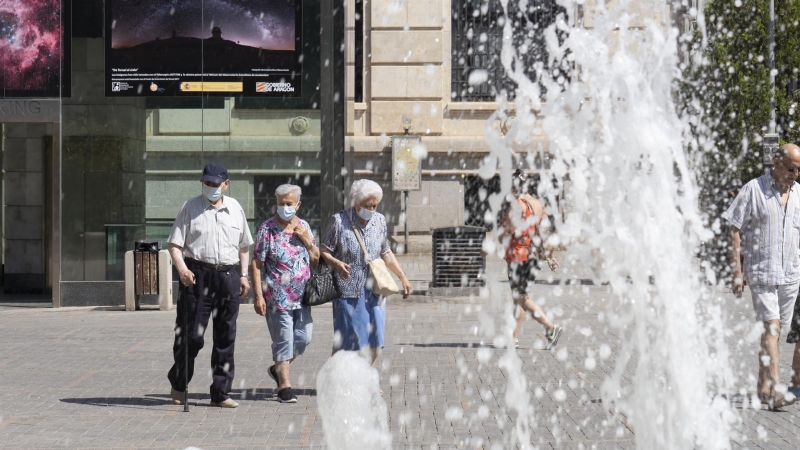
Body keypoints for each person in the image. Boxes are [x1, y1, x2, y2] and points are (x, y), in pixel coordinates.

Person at [166, 163, 253, 408]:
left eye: (216, 184)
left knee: (226, 336)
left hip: (228, 275)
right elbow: (174, 245)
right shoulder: (190, 207)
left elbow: (244, 245)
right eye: (208, 183)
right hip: (197, 275)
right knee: (191, 335)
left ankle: (221, 392)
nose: (212, 188)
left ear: (226, 184)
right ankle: (179, 380)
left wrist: (244, 275)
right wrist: (182, 270)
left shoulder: (235, 208)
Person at [724, 143, 800, 410]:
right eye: (792, 168)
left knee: (776, 334)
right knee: (772, 327)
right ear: (776, 161)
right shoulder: (753, 189)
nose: (795, 175)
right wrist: (736, 269)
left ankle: (763, 385)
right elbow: (733, 227)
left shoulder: (799, 195)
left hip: (790, 276)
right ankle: (777, 389)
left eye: (799, 170)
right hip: (762, 273)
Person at [320, 179, 412, 367]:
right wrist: (337, 263)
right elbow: (324, 251)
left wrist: (402, 276)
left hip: (375, 289)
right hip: (347, 291)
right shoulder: (338, 221)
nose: (371, 209)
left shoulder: (379, 220)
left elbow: (385, 252)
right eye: (366, 205)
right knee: (347, 341)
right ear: (355, 201)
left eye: (374, 205)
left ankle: (367, 378)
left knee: (375, 340)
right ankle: (333, 378)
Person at [251, 184, 319, 404]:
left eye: (289, 204)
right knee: (284, 341)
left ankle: (278, 367)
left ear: (298, 204)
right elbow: (257, 264)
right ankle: (284, 386)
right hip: (277, 298)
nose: (284, 207)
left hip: (303, 297)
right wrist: (258, 296)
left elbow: (317, 258)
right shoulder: (267, 229)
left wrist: (307, 241)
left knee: (303, 339)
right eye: (281, 203)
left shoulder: (305, 226)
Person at [497, 169, 562, 350]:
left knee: (521, 298)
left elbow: (509, 230)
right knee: (521, 298)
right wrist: (548, 256)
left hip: (518, 257)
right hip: (533, 258)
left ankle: (550, 327)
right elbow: (545, 232)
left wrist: (491, 244)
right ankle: (514, 338)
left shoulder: (516, 205)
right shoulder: (538, 204)